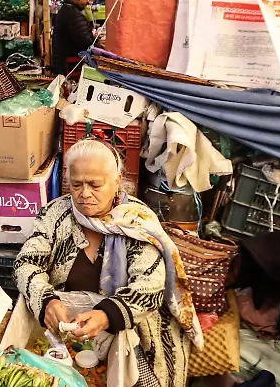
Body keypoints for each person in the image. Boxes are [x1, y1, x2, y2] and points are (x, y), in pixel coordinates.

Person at [14, 140, 202, 387]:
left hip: (131, 327)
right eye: (77, 184)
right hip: (67, 330)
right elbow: (27, 263)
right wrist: (46, 301)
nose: (84, 194)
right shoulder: (55, 215)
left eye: (95, 185)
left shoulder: (136, 221)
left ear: (117, 181)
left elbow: (151, 286)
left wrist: (107, 315)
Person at [52, 0, 97, 76]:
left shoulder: (68, 9)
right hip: (68, 65)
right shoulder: (72, 14)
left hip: (63, 61)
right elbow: (85, 41)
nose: (89, 3)